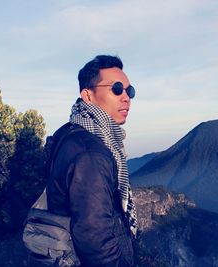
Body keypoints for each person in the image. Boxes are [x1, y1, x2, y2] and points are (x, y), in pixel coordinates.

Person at [46, 55, 137, 267]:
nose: (126, 97)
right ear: (88, 95)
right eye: (116, 89)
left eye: (129, 90)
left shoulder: (71, 132)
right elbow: (95, 240)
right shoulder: (90, 154)